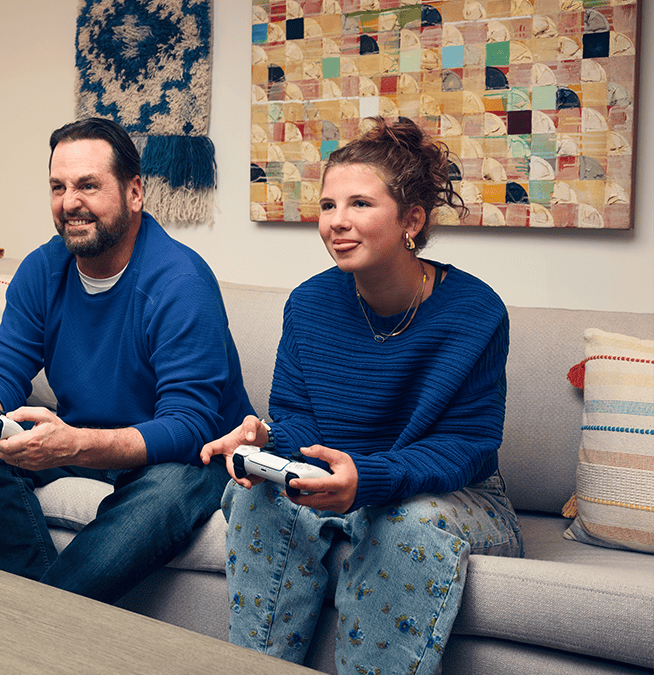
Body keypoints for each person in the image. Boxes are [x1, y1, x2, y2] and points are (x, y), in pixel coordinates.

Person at [201, 117, 524, 675]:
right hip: (340, 484)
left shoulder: (476, 312)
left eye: (359, 205)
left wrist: (366, 481)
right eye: (328, 206)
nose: (337, 223)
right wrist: (268, 439)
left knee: (403, 525)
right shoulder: (308, 304)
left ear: (411, 221)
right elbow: (300, 420)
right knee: (257, 499)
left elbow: (466, 446)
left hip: (451, 493)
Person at [0, 117, 254, 604]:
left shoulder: (180, 282)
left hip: (183, 457)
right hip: (87, 443)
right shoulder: (42, 268)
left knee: (163, 490)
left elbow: (188, 425)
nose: (69, 202)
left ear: (135, 192)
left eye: (87, 185)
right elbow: (9, 362)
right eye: (58, 187)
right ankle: (42, 607)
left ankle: (32, 620)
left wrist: (76, 446)